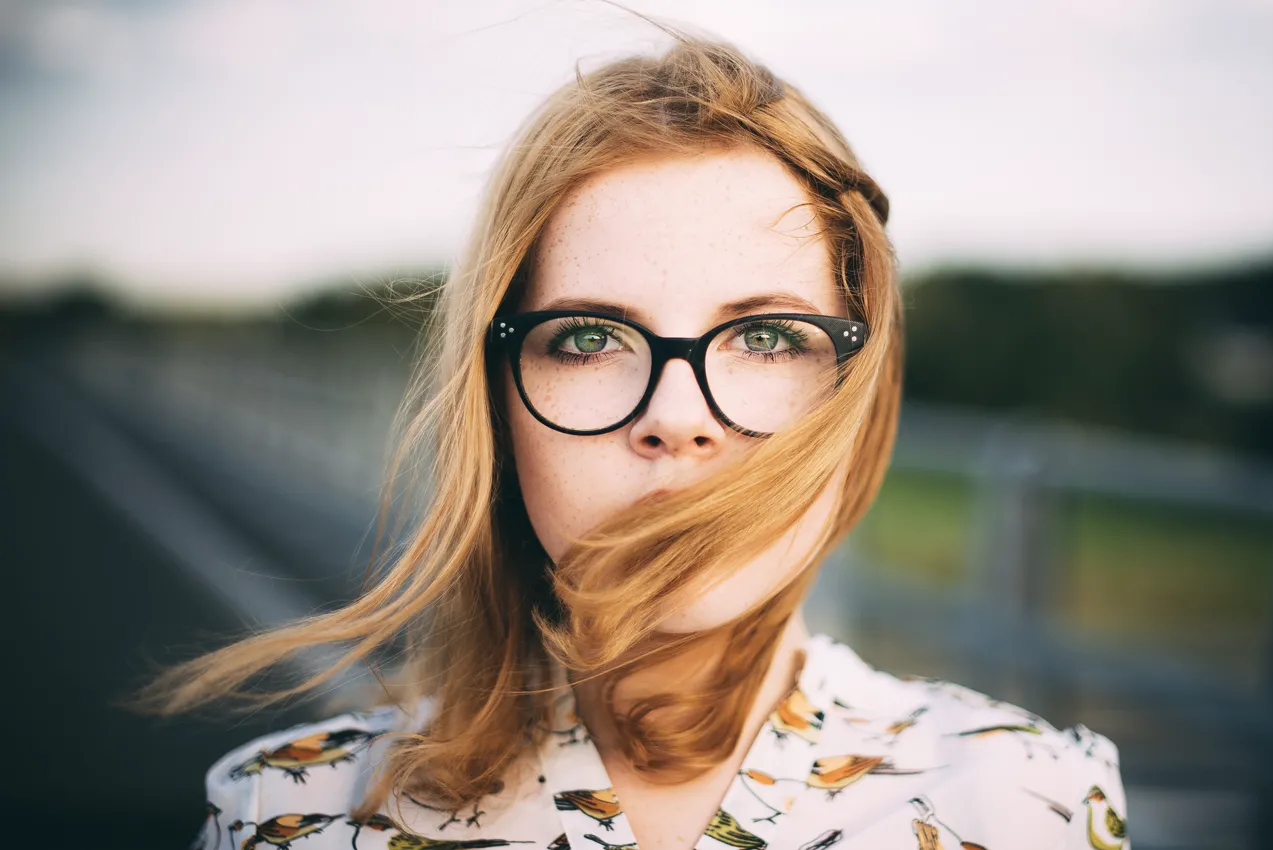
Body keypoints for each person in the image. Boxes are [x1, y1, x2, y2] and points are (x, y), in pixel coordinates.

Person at [140, 26, 1130, 850]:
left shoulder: (1023, 802)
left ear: (856, 392)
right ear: (497, 398)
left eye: (768, 336)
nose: (678, 417)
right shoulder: (296, 817)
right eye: (588, 337)